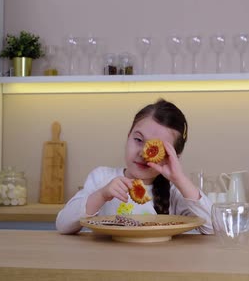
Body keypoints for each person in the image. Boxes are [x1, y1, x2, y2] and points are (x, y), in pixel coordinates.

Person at [56, 99, 213, 234]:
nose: (144, 153)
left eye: (156, 148)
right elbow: (63, 225)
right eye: (138, 140)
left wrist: (179, 179)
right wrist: (102, 195)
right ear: (128, 137)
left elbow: (214, 228)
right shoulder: (102, 178)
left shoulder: (174, 192)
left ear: (173, 158)